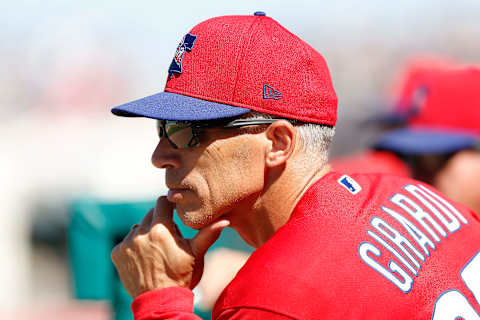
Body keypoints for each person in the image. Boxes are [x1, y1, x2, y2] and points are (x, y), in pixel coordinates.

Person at [110, 13, 480, 319]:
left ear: (278, 143)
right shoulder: (417, 196)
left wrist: (161, 299)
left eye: (188, 132)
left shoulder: (273, 300)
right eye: (164, 128)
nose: (160, 156)